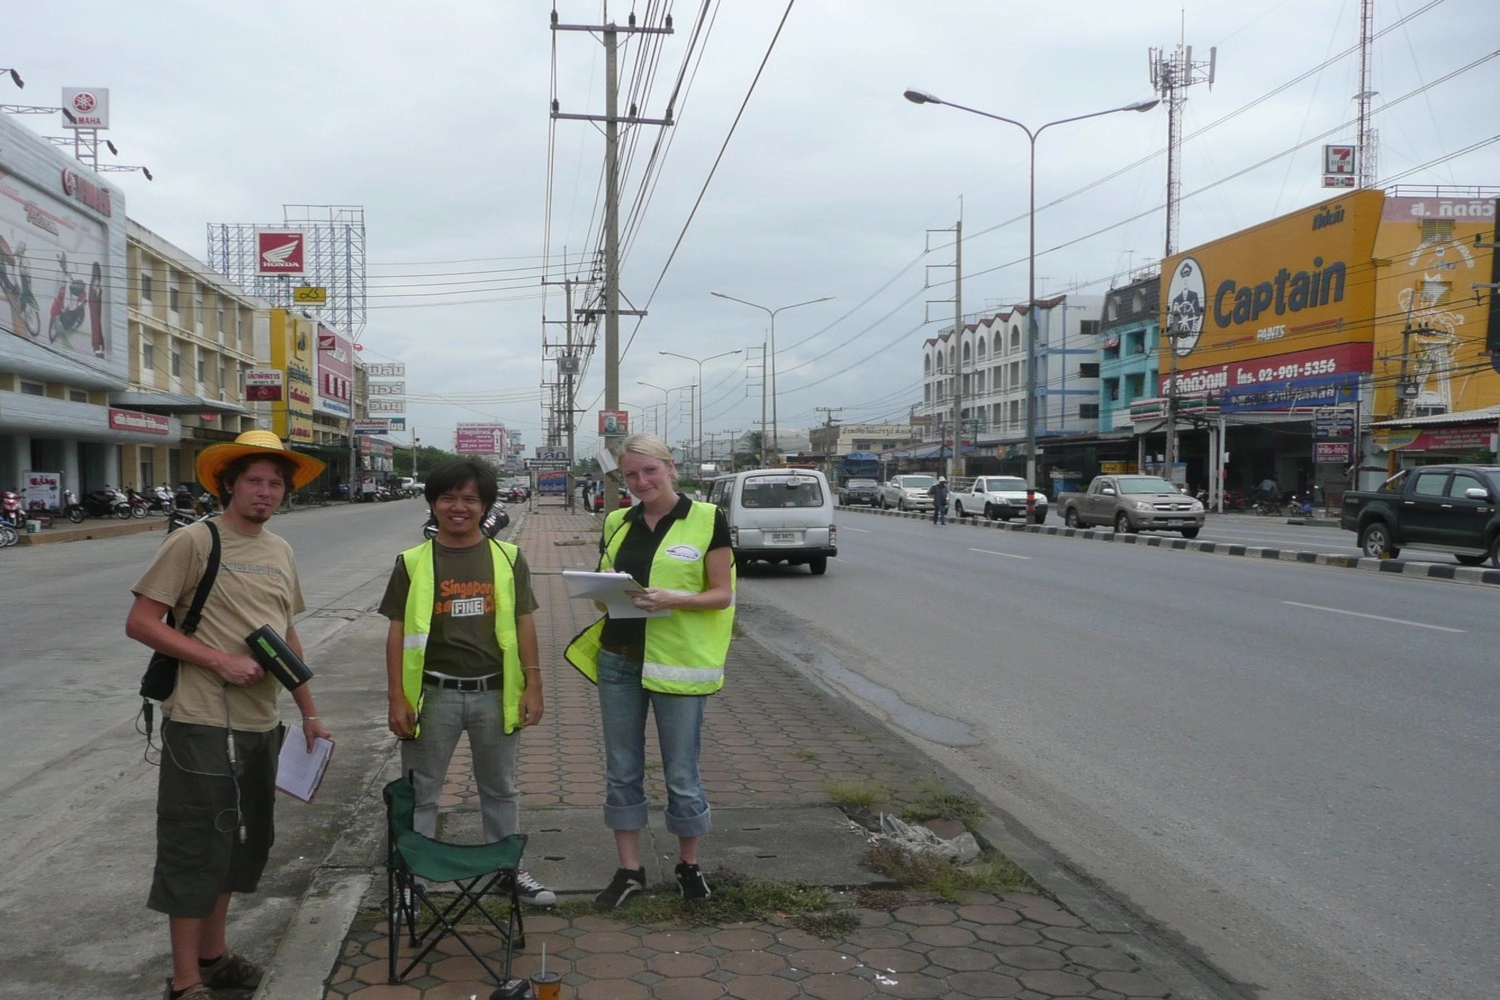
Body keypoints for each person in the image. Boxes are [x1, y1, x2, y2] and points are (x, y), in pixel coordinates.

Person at [125, 430, 332, 1000]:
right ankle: (185, 980)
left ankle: (214, 958)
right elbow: (142, 622)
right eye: (255, 481)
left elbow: (286, 635)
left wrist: (310, 712)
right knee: (196, 846)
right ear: (229, 485)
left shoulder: (280, 551)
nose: (265, 493)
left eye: (275, 484)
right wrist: (219, 661)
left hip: (262, 723)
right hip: (200, 722)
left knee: (243, 843)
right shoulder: (195, 541)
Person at [565, 433, 735, 909]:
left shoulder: (707, 519)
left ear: (670, 467)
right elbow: (606, 590)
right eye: (631, 474)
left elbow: (721, 594)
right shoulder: (618, 521)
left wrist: (673, 598)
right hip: (619, 658)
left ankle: (689, 866)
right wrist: (601, 592)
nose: (641, 482)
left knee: (681, 772)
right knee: (622, 769)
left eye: (649, 471)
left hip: (678, 664)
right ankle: (629, 870)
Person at [380, 460, 553, 906]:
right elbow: (398, 630)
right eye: (448, 498)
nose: (459, 507)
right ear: (433, 505)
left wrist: (533, 685)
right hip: (433, 696)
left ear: (485, 506)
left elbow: (524, 622)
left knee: (500, 788)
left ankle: (506, 869)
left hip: (494, 694)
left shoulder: (508, 558)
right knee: (420, 792)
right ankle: (409, 880)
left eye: (470, 499)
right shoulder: (413, 562)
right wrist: (397, 695)